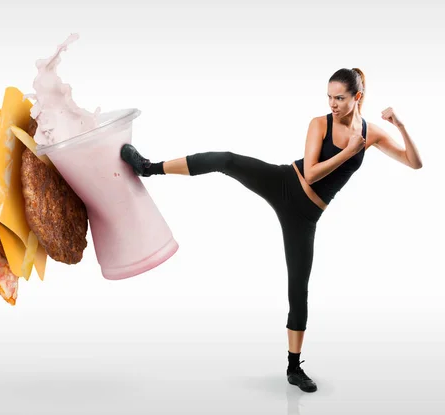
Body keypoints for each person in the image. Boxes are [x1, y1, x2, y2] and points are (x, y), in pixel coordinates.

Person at [120, 68, 423, 393]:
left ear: (357, 97)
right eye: (329, 97)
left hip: (305, 218)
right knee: (228, 160)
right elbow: (309, 174)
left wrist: (400, 126)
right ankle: (148, 168)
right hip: (284, 183)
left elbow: (413, 162)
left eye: (340, 98)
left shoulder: (371, 133)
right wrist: (349, 152)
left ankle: (294, 368)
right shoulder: (320, 124)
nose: (333, 103)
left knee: (299, 289)